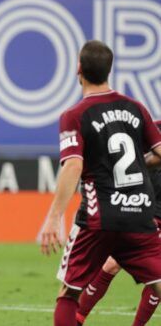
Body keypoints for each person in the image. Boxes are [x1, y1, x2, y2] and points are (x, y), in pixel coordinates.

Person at [40, 40, 161, 326]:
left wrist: (54, 216)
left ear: (78, 70)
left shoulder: (74, 115)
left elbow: (73, 165)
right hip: (140, 214)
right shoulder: (136, 108)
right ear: (110, 70)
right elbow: (159, 153)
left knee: (68, 293)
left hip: (99, 217)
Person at [75, 121, 161, 326]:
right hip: (141, 212)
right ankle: (78, 317)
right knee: (111, 265)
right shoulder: (152, 129)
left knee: (156, 275)